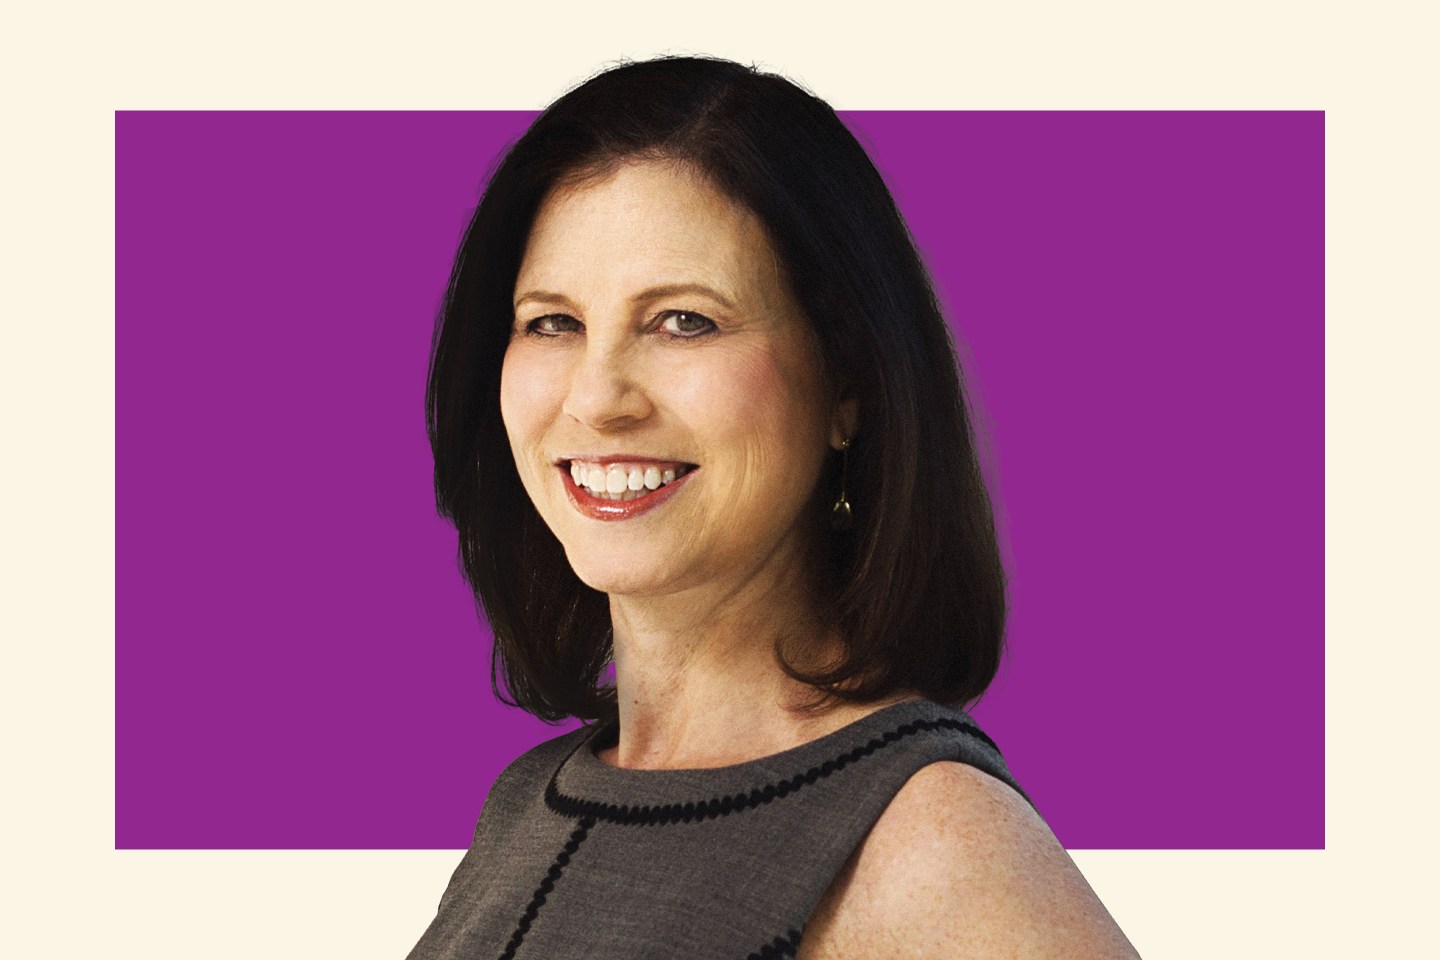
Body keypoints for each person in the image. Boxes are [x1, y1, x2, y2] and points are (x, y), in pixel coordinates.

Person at [410, 55, 1140, 959]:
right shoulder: (528, 808)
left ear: (847, 382)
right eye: (553, 322)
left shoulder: (929, 844)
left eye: (684, 321)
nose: (597, 399)